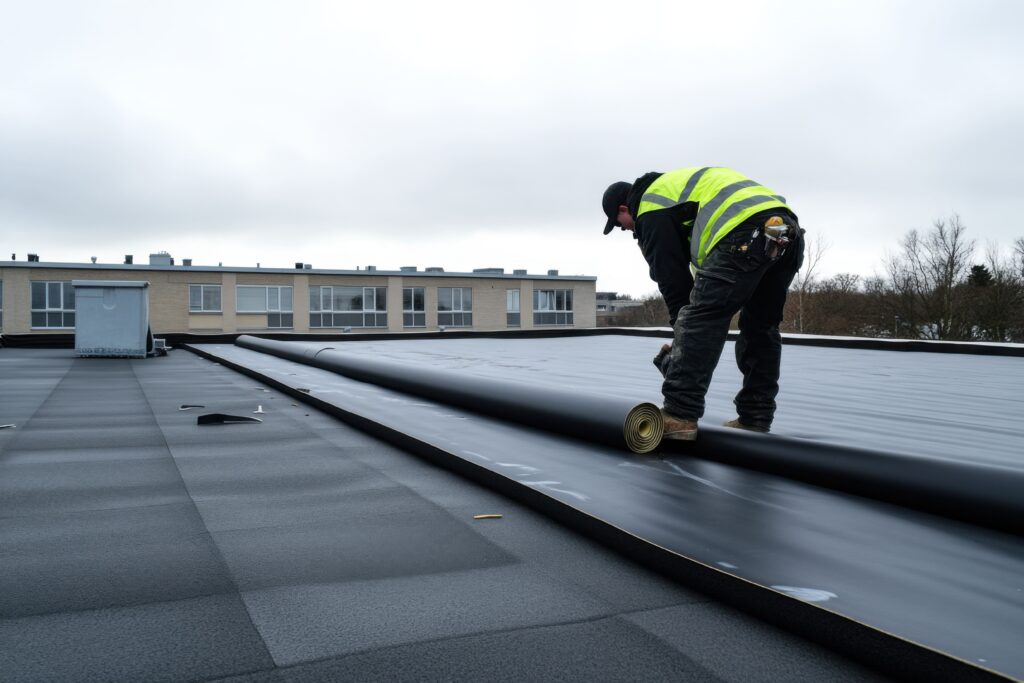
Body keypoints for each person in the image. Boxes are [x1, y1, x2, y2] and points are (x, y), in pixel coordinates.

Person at [602, 167, 805, 440]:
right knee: (760, 326)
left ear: (625, 208)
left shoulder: (650, 208)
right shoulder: (677, 193)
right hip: (785, 230)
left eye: (620, 223)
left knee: (700, 319)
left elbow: (676, 288)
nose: (627, 230)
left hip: (744, 231)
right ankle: (755, 418)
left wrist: (681, 341)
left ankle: (679, 414)